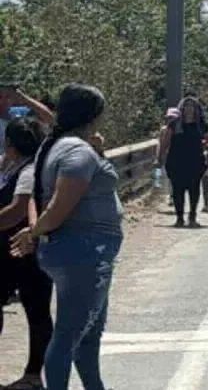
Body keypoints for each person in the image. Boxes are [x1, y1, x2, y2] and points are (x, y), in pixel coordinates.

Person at [9, 84, 123, 390]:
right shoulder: (76, 152)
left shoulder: (59, 143)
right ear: (93, 115)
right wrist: (33, 231)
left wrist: (35, 231)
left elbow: (40, 197)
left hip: (84, 253)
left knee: (87, 334)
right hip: (84, 254)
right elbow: (59, 206)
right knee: (69, 336)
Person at [0, 118, 52, 390]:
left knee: (37, 310)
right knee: (37, 310)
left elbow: (18, 211)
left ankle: (34, 374)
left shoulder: (29, 172)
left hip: (24, 252)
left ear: (11, 144)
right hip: (13, 252)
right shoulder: (13, 166)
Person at [158, 97, 208, 228]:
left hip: (195, 162)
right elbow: (165, 142)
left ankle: (192, 216)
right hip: (176, 162)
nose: (189, 109)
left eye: (192, 106)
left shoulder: (201, 124)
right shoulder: (174, 124)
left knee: (194, 190)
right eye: (186, 106)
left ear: (196, 109)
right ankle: (179, 217)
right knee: (178, 191)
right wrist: (159, 157)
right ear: (182, 108)